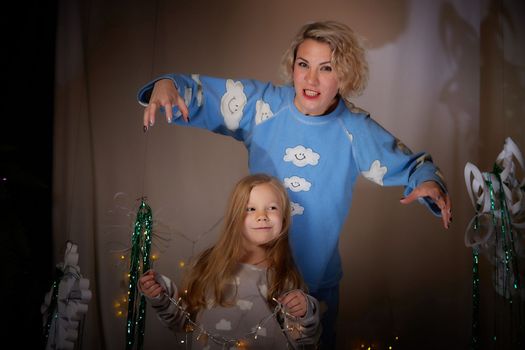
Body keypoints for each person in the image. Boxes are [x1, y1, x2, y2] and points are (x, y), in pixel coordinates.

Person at [137, 20, 452, 348]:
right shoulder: (264, 107)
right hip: (250, 277)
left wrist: (428, 184)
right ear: (292, 66)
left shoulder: (354, 129)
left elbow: (413, 165)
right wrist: (168, 85)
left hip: (314, 282)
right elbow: (203, 94)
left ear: (345, 75)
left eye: (326, 68)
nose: (311, 79)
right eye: (303, 65)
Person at [138, 174, 321, 349]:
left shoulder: (285, 275)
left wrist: (304, 313)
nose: (262, 215)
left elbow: (302, 342)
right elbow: (183, 323)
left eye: (272, 208)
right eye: (250, 209)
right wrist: (162, 296)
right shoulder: (207, 265)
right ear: (235, 216)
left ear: (284, 216)